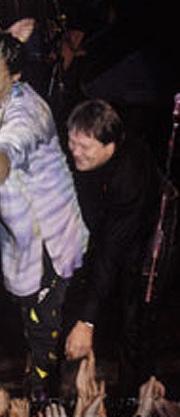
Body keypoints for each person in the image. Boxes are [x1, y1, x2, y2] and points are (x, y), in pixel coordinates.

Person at [0, 30, 89, 400]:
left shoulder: (26, 113)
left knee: (45, 339)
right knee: (33, 330)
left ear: (15, 76)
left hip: (50, 241)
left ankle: (48, 401)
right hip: (25, 237)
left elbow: (5, 149)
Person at [64, 99, 161, 396]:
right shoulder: (89, 154)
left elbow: (110, 252)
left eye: (84, 147)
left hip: (145, 246)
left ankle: (135, 398)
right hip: (108, 230)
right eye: (72, 142)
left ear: (110, 145)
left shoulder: (129, 176)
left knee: (134, 323)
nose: (75, 152)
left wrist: (87, 322)